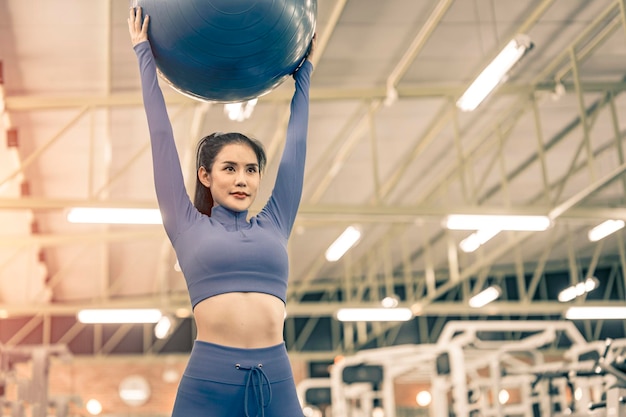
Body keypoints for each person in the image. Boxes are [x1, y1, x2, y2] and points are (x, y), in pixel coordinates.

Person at [128, 7, 314, 417]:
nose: (242, 179)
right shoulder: (186, 224)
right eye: (229, 169)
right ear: (205, 176)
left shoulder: (276, 221)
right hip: (209, 383)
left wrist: (306, 77)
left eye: (250, 170)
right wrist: (144, 53)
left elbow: (296, 151)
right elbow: (160, 135)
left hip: (276, 379)